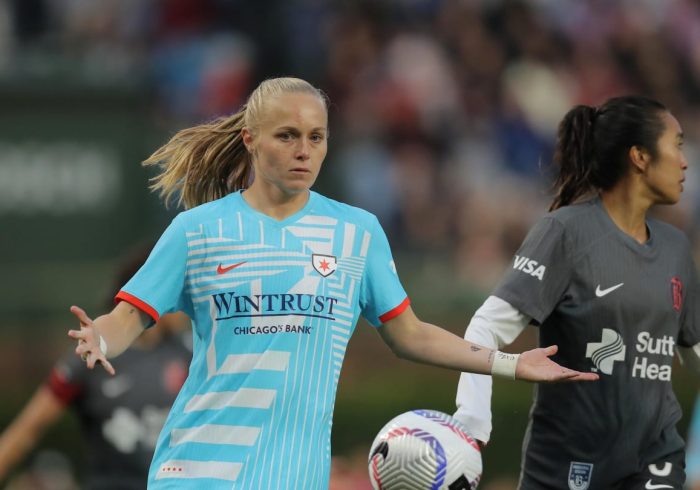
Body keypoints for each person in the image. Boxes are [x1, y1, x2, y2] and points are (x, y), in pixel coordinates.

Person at [67, 77, 596, 489]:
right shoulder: (199, 230)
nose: (304, 150)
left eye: (315, 137)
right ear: (251, 140)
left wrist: (510, 363)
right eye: (288, 136)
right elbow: (130, 315)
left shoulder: (356, 233)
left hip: (295, 476)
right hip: (199, 467)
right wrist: (102, 338)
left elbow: (410, 335)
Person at [454, 95, 700, 489]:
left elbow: (695, 352)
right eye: (678, 145)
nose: (685, 161)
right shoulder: (565, 233)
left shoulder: (675, 249)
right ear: (639, 156)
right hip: (564, 468)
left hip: (654, 462)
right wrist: (471, 424)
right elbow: (485, 328)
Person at [0, 245, 192, 490]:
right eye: (179, 291)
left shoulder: (191, 353)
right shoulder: (89, 357)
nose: (186, 304)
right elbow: (26, 430)